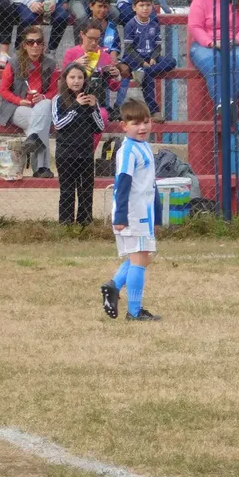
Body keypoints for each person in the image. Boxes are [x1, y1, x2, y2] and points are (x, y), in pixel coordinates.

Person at [100, 98, 160, 322]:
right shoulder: (127, 151)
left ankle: (113, 286)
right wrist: (121, 216)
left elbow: (149, 184)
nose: (142, 127)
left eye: (145, 122)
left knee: (144, 257)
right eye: (135, 123)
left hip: (144, 212)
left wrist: (156, 212)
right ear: (124, 126)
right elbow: (122, 185)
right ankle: (134, 312)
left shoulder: (144, 146)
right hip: (133, 213)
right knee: (139, 260)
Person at [0, 25, 59, 178]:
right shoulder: (14, 63)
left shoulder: (50, 64)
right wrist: (20, 101)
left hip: (41, 107)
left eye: (39, 42)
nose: (35, 46)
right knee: (42, 123)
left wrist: (44, 97)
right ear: (24, 45)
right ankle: (41, 168)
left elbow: (54, 91)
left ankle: (32, 140)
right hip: (16, 107)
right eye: (31, 42)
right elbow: (3, 90)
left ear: (43, 45)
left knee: (45, 107)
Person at [53, 63, 105, 225]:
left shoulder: (91, 100)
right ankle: (66, 224)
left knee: (86, 191)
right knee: (67, 190)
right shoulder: (59, 99)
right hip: (66, 153)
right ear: (65, 79)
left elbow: (100, 127)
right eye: (72, 77)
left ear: (85, 80)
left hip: (85, 153)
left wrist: (92, 109)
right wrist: (76, 106)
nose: (76, 81)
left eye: (80, 77)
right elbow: (58, 124)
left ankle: (85, 224)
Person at [119, 0, 177, 121]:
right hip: (134, 58)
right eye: (141, 5)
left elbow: (157, 46)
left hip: (150, 58)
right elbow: (128, 48)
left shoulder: (154, 24)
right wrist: (141, 62)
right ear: (134, 7)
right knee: (146, 74)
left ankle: (144, 72)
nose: (145, 8)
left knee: (171, 61)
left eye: (148, 5)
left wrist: (153, 58)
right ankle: (154, 110)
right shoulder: (130, 25)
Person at [62, 18, 123, 133]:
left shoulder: (105, 56)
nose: (94, 43)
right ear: (82, 35)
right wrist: (75, 65)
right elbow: (62, 80)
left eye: (97, 39)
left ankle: (91, 149)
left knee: (103, 116)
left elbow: (113, 87)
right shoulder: (71, 53)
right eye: (90, 38)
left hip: (96, 101)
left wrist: (117, 76)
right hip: (72, 99)